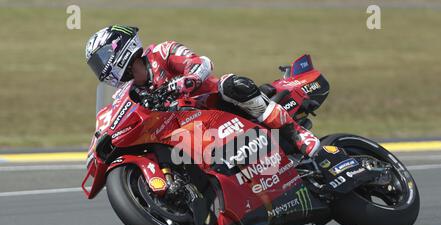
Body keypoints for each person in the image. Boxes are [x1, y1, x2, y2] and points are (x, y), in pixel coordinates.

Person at [85, 25, 320, 158]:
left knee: (232, 84)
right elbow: (113, 118)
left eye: (100, 60)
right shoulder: (129, 93)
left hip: (216, 106)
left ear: (119, 50)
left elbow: (202, 63)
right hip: (190, 133)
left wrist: (187, 80)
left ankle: (297, 135)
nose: (100, 69)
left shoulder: (162, 52)